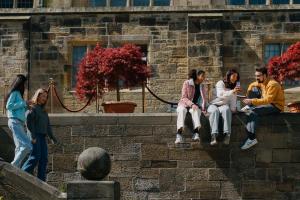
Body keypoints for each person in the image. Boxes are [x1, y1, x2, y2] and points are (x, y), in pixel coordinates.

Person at [241, 67, 285, 150]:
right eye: (256, 76)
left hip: (276, 106)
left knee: (252, 112)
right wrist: (248, 94)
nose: (257, 78)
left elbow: (268, 100)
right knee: (253, 88)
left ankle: (251, 139)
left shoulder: (272, 84)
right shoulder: (262, 82)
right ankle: (249, 107)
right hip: (267, 104)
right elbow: (252, 84)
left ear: (265, 75)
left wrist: (251, 101)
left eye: (258, 76)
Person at [22, 88, 58, 181]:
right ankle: (21, 175)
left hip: (42, 137)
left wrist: (52, 137)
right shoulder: (33, 108)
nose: (44, 98)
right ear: (37, 96)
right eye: (43, 96)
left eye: (46, 97)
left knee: (44, 159)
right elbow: (29, 122)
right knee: (35, 157)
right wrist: (33, 136)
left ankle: (41, 181)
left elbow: (47, 125)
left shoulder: (44, 110)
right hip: (35, 136)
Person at [208, 69, 241, 146]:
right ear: (229, 76)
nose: (235, 78)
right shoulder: (221, 83)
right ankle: (213, 135)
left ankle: (227, 135)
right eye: (234, 76)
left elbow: (233, 100)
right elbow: (220, 94)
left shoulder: (234, 87)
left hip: (223, 105)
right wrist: (232, 91)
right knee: (214, 111)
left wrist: (234, 109)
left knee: (227, 109)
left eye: (237, 77)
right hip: (214, 104)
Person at [5, 74, 32, 168]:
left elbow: (19, 109)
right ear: (20, 83)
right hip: (15, 121)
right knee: (27, 145)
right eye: (24, 84)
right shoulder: (15, 92)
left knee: (19, 147)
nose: (24, 86)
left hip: (17, 122)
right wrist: (24, 103)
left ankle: (16, 170)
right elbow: (9, 106)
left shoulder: (18, 94)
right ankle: (13, 166)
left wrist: (27, 107)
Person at [175, 69, 206, 144]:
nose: (203, 78)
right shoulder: (187, 83)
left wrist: (203, 107)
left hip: (194, 106)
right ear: (197, 76)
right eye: (202, 76)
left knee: (197, 111)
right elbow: (183, 97)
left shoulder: (202, 86)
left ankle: (196, 133)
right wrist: (191, 104)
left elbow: (204, 99)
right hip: (184, 104)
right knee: (181, 111)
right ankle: (179, 135)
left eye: (204, 77)